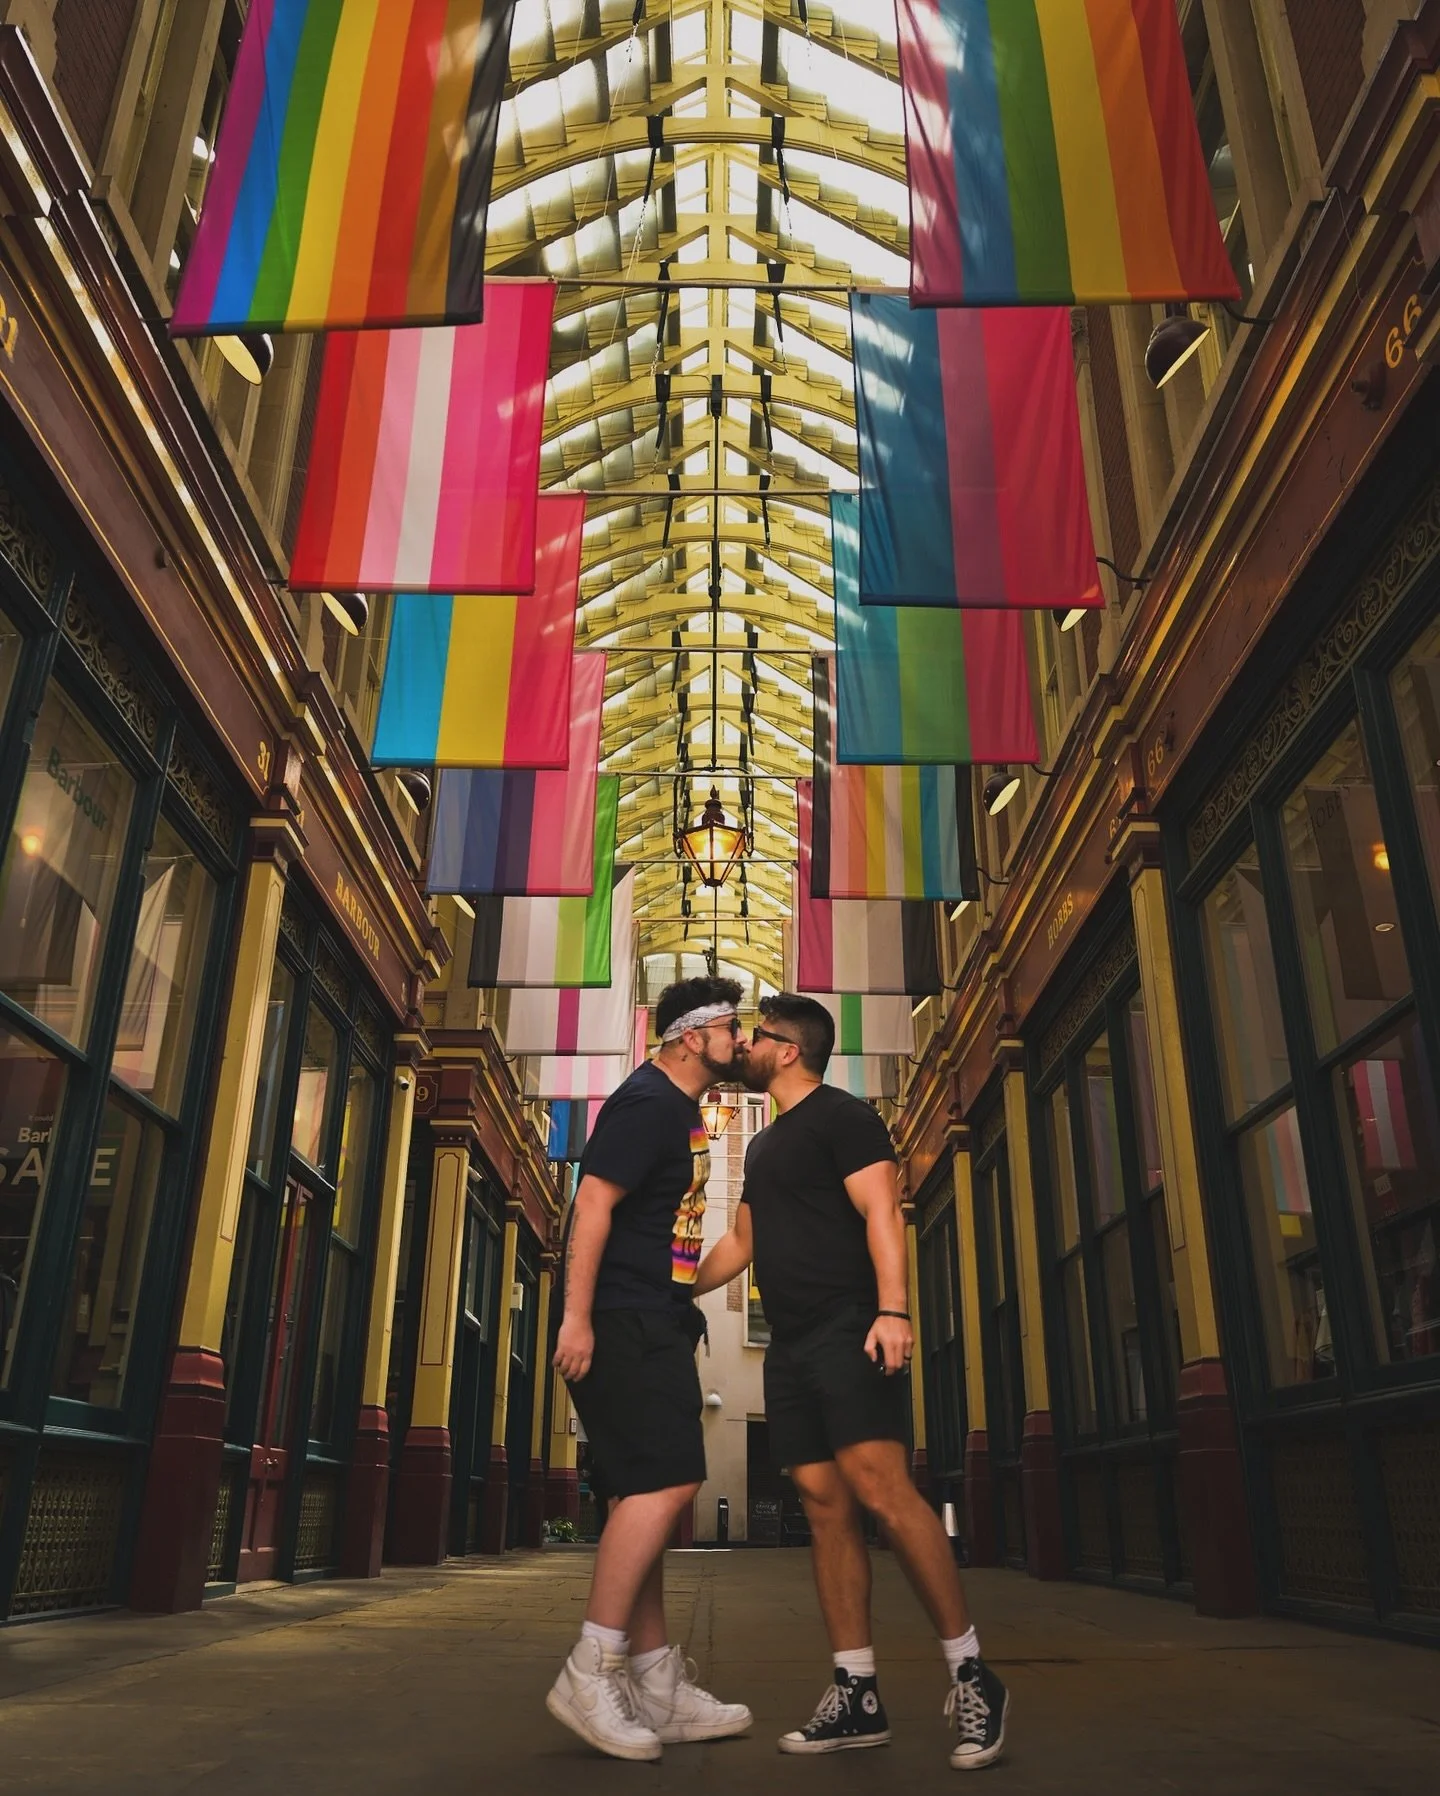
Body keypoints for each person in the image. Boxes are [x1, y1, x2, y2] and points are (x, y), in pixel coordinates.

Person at [695, 993, 1008, 1772]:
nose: (745, 1047)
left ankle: (973, 1674)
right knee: (823, 1503)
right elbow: (741, 1240)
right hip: (793, 1345)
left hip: (849, 1324)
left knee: (881, 1489)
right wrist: (675, 1292)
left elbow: (881, 1211)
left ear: (787, 1049)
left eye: (754, 1037)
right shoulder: (765, 1148)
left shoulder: (846, 1118)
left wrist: (892, 1309)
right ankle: (857, 1692)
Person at [547, 976, 754, 1762]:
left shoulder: (682, 1113)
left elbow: (678, 1249)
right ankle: (590, 1669)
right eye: (731, 1026)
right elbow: (592, 1203)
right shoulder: (647, 1102)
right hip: (622, 1318)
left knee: (651, 1496)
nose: (739, 1038)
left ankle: (657, 1686)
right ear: (690, 1035)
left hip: (654, 1314)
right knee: (669, 1484)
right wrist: (576, 1316)